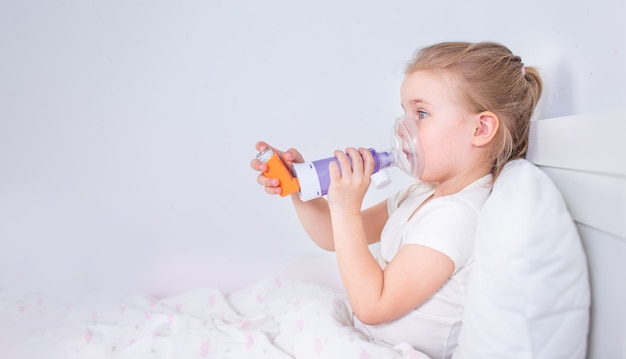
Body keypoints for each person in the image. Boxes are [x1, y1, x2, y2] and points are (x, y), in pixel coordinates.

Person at [250, 41, 543, 359]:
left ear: (480, 128)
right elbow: (330, 235)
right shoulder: (420, 194)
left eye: (421, 113)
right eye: (405, 113)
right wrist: (298, 186)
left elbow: (372, 306)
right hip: (370, 340)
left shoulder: (456, 217)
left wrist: (346, 210)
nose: (404, 129)